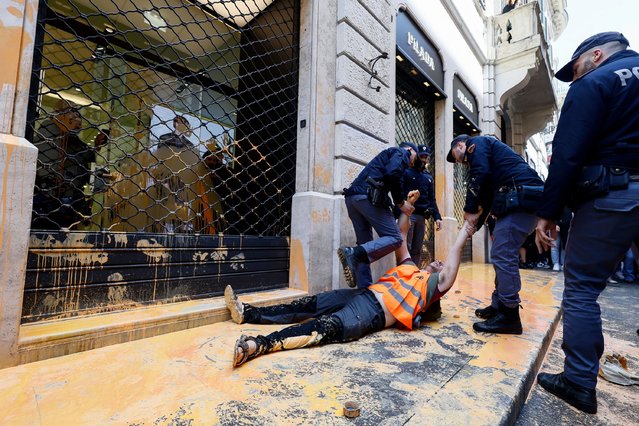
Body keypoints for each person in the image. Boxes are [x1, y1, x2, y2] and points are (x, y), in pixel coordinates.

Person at [226, 191, 476, 367]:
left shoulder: (431, 287)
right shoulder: (410, 267)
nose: (440, 262)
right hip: (362, 295)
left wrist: (465, 230)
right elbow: (400, 234)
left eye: (441, 265)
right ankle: (248, 313)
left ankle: (256, 346)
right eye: (436, 261)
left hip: (372, 312)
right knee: (307, 305)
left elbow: (451, 265)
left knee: (322, 328)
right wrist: (407, 210)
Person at [534, 32, 639, 415]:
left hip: (614, 194)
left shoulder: (595, 82)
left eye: (575, 69)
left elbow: (566, 155)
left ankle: (579, 382)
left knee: (580, 291)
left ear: (595, 55)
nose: (574, 78)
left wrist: (548, 213)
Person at [446, 134, 544, 334]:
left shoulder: (478, 143)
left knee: (502, 254)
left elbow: (479, 175)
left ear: (461, 145)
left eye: (456, 156)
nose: (459, 162)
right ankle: (499, 305)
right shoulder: (491, 162)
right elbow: (488, 198)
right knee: (502, 254)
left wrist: (469, 208)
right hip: (518, 199)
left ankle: (509, 315)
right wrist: (475, 224)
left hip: (522, 198)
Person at [338, 141, 419, 288]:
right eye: (415, 157)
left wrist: (399, 206)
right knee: (395, 238)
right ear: (410, 150)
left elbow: (389, 177)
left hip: (353, 199)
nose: (412, 163)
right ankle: (352, 253)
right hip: (367, 197)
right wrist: (401, 203)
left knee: (365, 246)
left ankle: (364, 290)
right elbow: (392, 173)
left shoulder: (387, 157)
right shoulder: (401, 152)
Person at [32, 99, 105, 229]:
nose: (79, 120)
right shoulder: (50, 129)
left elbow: (85, 154)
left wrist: (96, 146)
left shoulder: (69, 137)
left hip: (65, 203)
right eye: (74, 114)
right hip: (48, 201)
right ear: (60, 114)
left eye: (79, 116)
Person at [402, 145, 442, 265]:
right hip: (409, 215)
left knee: (417, 249)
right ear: (417, 156)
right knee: (406, 247)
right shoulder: (407, 172)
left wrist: (437, 217)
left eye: (426, 157)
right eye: (422, 156)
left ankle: (414, 274)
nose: (424, 159)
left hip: (422, 217)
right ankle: (403, 274)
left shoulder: (428, 177)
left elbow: (432, 199)